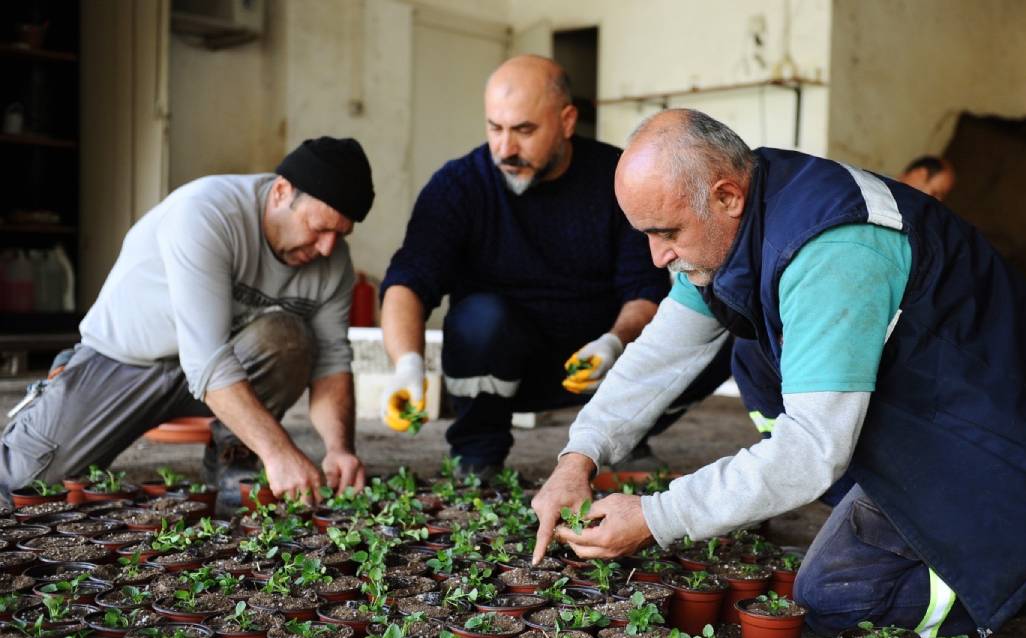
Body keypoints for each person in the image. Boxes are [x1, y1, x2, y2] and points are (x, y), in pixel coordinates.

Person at [531, 109, 1026, 638]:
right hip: (924, 407)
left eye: (666, 233)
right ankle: (905, 513)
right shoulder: (742, 222)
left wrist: (657, 517)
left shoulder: (832, 252)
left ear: (726, 195)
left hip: (994, 427)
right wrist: (577, 457)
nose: (657, 256)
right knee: (755, 349)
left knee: (840, 601)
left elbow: (808, 450)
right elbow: (662, 352)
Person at [377, 56, 730, 479]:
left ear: (566, 121)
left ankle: (624, 439)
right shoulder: (458, 185)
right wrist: (407, 366)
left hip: (600, 364)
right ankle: (477, 451)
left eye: (524, 131)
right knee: (480, 318)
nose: (505, 149)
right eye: (495, 128)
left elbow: (643, 291)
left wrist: (613, 343)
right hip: (501, 364)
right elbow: (407, 283)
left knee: (724, 324)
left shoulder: (617, 179)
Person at [0, 137, 375, 512]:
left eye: (339, 234)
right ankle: (63, 384)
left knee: (290, 338)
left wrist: (340, 449)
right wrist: (280, 453)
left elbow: (331, 362)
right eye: (317, 227)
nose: (327, 248)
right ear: (280, 192)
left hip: (220, 367)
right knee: (24, 486)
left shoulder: (332, 263)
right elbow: (207, 360)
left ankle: (234, 454)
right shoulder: (206, 213)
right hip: (126, 362)